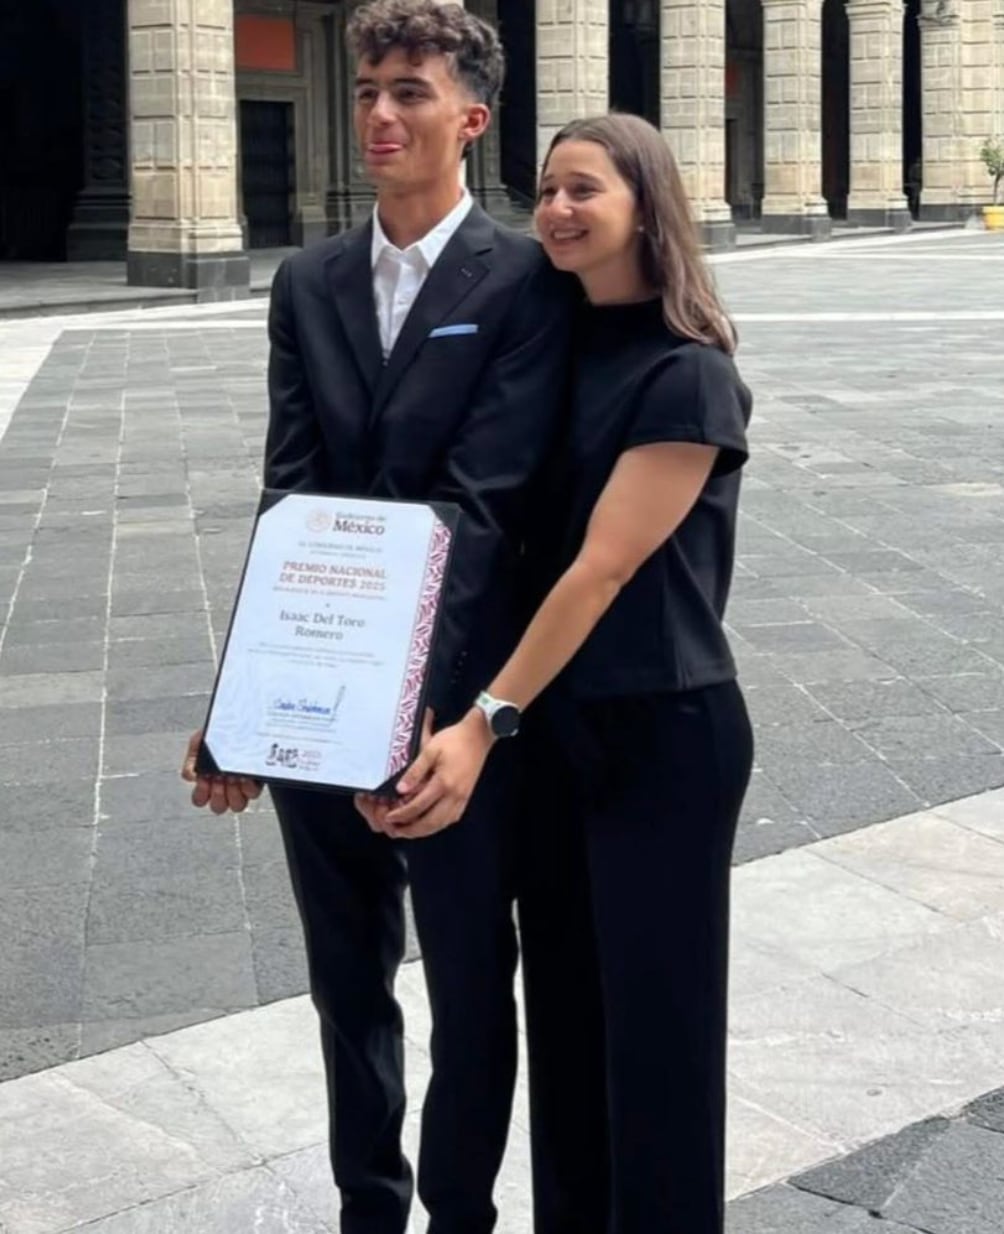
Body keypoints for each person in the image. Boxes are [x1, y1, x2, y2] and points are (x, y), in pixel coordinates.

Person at [182, 4, 569, 1233]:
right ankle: (370, 1207)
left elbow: (483, 504)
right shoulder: (307, 281)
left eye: (407, 91)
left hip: (451, 708)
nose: (379, 115)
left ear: (469, 116)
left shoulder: (520, 280)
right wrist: (243, 708)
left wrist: (409, 704)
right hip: (319, 702)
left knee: (469, 979)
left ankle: (459, 1212)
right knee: (345, 981)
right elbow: (288, 494)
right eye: (365, 92)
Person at [361, 113, 754, 1234]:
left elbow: (596, 571)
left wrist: (480, 720)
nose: (556, 211)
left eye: (584, 188)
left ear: (646, 204)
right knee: (570, 1021)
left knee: (658, 1033)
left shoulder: (688, 375)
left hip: (658, 732)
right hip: (550, 731)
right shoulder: (547, 349)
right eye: (543, 191)